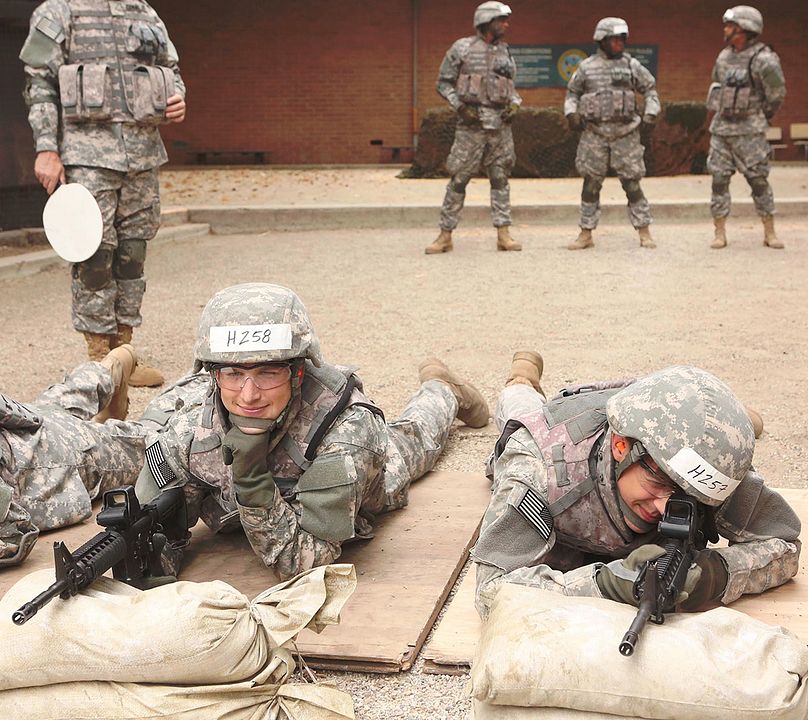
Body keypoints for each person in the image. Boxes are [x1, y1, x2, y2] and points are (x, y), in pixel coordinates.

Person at [135, 283, 490, 579]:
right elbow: (159, 522)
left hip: (363, 473)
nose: (248, 394)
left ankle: (442, 390)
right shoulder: (191, 429)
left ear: (298, 373)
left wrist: (252, 481)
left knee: (412, 438)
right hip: (277, 506)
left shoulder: (347, 434)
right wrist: (151, 553)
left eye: (267, 373)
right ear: (213, 374)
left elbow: (307, 561)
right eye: (232, 373)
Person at [472, 352, 800, 618]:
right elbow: (491, 591)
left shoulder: (708, 466)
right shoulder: (535, 466)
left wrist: (717, 573)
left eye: (684, 496)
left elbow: (785, 547)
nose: (663, 508)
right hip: (560, 431)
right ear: (621, 448)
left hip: (647, 412)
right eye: (657, 481)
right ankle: (522, 376)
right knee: (521, 407)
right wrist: (603, 586)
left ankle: (744, 419)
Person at [20, 0, 188, 386]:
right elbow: (38, 83)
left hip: (143, 156)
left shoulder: (143, 11)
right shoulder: (57, 12)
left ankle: (124, 354)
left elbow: (171, 69)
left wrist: (177, 96)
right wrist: (47, 148)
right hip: (86, 158)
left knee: (133, 254)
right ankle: (99, 359)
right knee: (94, 254)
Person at [0, 345, 148, 566]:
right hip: (30, 417)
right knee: (74, 391)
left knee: (157, 446)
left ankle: (199, 384)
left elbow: (15, 533)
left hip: (59, 457)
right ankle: (113, 365)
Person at [425, 1, 522, 255]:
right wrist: (460, 107)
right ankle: (445, 235)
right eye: (501, 20)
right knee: (459, 179)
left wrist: (515, 104)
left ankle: (504, 234)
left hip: (500, 128)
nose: (506, 25)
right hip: (471, 128)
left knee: (500, 179)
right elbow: (443, 83)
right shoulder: (462, 48)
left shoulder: (505, 51)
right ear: (486, 21)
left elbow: (511, 88)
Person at [564, 18, 660, 250]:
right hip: (594, 134)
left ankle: (644, 231)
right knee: (590, 184)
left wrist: (651, 114)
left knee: (632, 184)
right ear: (602, 41)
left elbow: (650, 91)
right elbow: (572, 94)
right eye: (614, 39)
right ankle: (586, 233)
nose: (619, 43)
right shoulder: (587, 67)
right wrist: (571, 114)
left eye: (622, 39)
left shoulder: (632, 66)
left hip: (625, 134)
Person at [706, 6, 786, 250]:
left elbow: (777, 94)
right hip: (722, 130)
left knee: (758, 181)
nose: (726, 29)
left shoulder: (765, 59)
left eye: (730, 25)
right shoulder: (723, 57)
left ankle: (769, 231)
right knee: (719, 180)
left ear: (744, 29)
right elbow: (716, 81)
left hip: (750, 132)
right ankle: (719, 232)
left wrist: (760, 116)